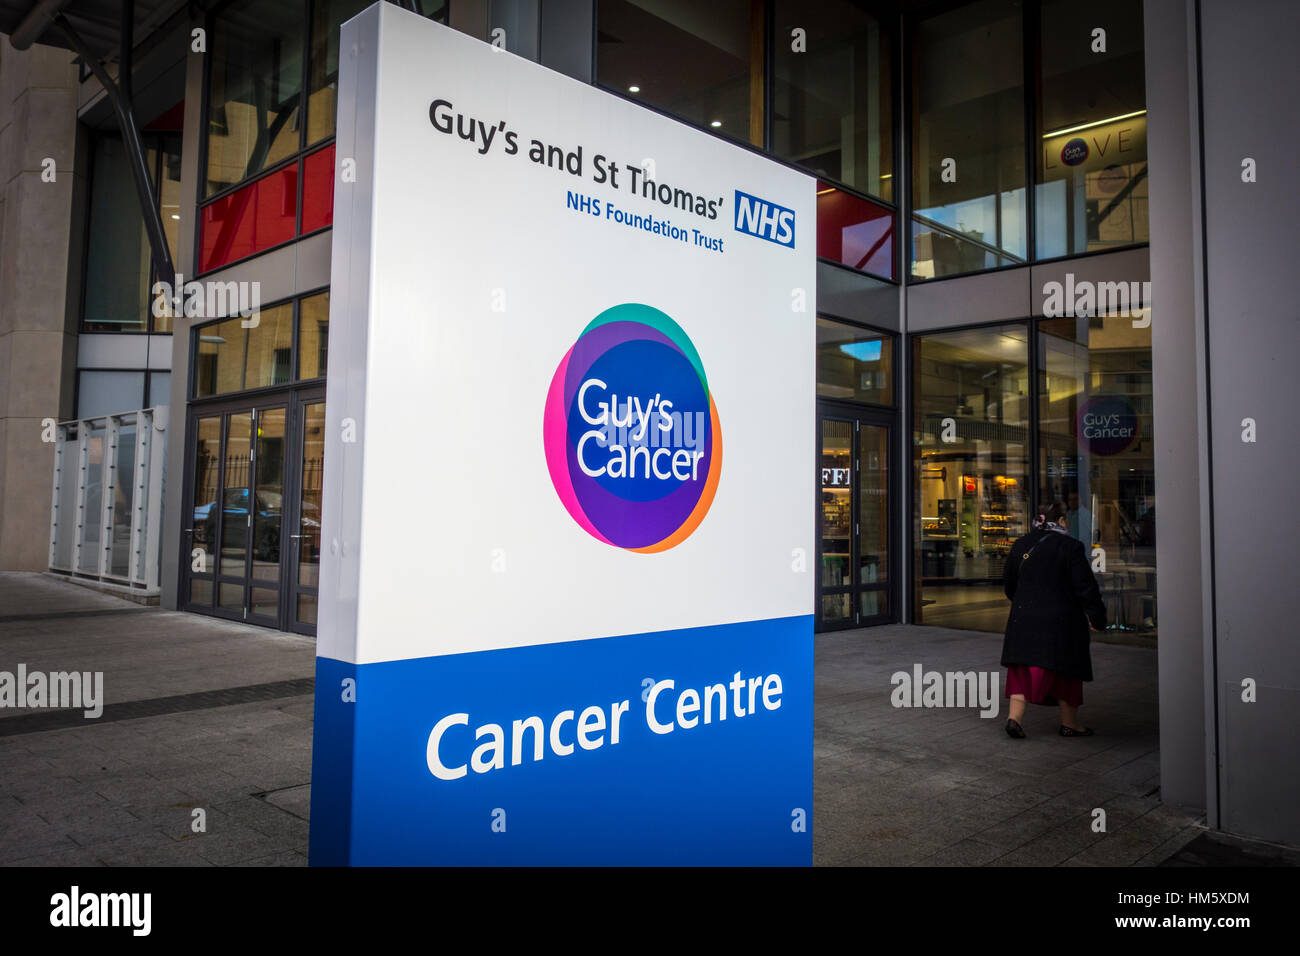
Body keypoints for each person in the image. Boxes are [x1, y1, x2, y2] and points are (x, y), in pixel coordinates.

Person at [1001, 500, 1107, 739]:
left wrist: (1023, 603)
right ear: (1059, 521)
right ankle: (1070, 725)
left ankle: (1014, 719)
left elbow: (1009, 584)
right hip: (1061, 621)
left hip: (1024, 619)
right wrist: (1097, 617)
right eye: (1065, 519)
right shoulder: (1070, 547)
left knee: (1021, 670)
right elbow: (1085, 588)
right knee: (1066, 673)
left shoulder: (1020, 544)